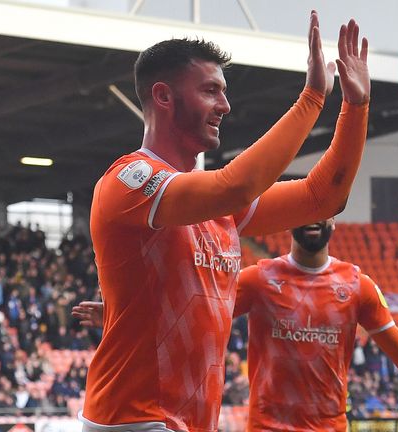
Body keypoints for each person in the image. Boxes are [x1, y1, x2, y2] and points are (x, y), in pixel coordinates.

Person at [81, 12, 371, 432]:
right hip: (133, 419)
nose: (226, 105)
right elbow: (235, 187)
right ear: (163, 96)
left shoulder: (214, 204)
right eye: (211, 90)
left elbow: (323, 198)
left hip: (189, 422)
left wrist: (356, 107)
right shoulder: (129, 180)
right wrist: (310, 98)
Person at [74, 218, 398, 431]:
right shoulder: (259, 279)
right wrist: (122, 315)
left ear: (333, 220)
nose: (314, 220)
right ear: (291, 221)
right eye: (305, 211)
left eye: (322, 211)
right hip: (267, 428)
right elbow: (194, 315)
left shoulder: (358, 285)